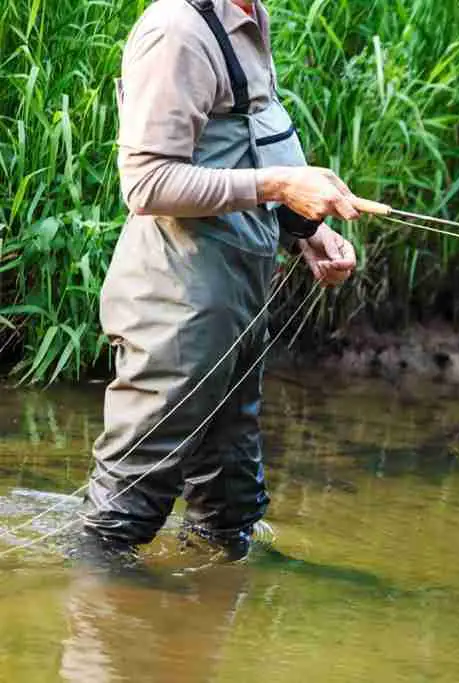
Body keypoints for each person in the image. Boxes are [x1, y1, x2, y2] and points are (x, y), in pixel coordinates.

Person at [74, 0, 361, 567]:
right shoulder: (176, 29)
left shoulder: (249, 15)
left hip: (238, 290)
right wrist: (280, 185)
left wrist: (306, 230)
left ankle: (213, 607)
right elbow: (147, 182)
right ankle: (102, 615)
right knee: (125, 507)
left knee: (231, 496)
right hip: (176, 297)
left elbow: (251, 135)